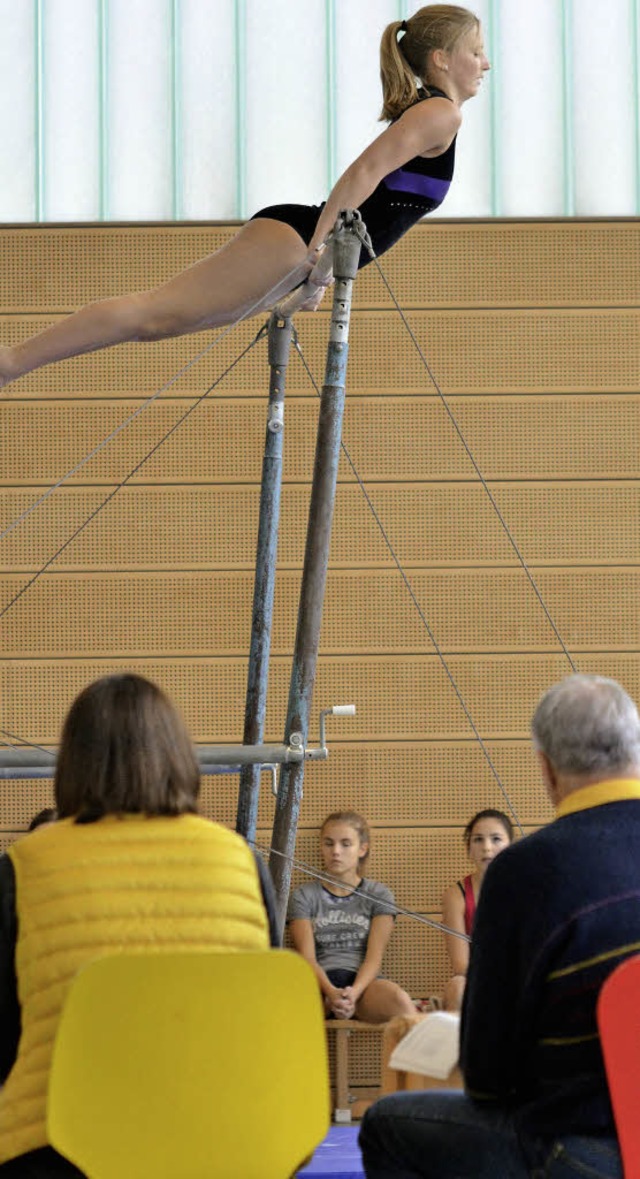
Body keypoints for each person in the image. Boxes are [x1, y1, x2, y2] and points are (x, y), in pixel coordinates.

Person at [0, 6, 489, 391]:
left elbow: (374, 201)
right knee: (152, 313)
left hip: (298, 246)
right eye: (476, 50)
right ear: (441, 57)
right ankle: (11, 362)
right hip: (293, 239)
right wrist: (318, 251)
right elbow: (364, 172)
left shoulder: (435, 114)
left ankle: (13, 363)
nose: (485, 63)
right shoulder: (441, 113)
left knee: (157, 322)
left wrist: (323, 274)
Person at [359, 673, 640, 1178]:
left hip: (588, 1145)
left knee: (386, 1124)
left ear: (547, 769)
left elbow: (488, 1081)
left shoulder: (525, 872)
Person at [0, 672, 277, 1178]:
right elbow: (268, 1017)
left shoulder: (23, 865)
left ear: (71, 764)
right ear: (178, 756)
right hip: (222, 1141)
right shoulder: (241, 862)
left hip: (56, 1150)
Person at [288, 810, 415, 1022]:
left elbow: (374, 957)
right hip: (318, 983)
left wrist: (353, 994)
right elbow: (307, 958)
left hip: (364, 985)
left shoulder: (379, 895)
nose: (336, 851)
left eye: (346, 844)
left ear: (362, 849)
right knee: (290, 1008)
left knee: (401, 1001)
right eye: (329, 844)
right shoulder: (303, 896)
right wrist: (331, 992)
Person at [441, 807, 513, 1011]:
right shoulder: (456, 895)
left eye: (496, 839)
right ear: (469, 848)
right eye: (478, 840)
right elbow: (461, 965)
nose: (487, 848)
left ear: (511, 846)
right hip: (477, 980)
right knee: (457, 987)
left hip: (519, 978)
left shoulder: (527, 889)